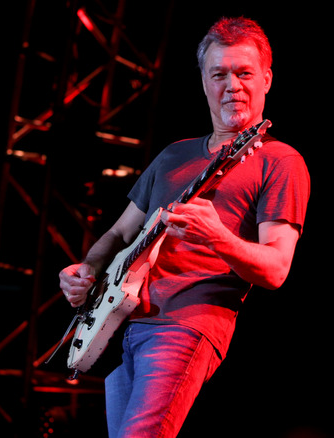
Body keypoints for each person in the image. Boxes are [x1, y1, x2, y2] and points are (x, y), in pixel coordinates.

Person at [58, 17, 310, 437]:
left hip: (186, 325)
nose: (232, 85)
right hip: (119, 323)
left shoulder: (279, 161)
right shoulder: (173, 156)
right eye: (219, 74)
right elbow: (119, 235)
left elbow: (276, 268)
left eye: (244, 73)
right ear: (204, 81)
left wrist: (217, 236)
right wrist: (86, 270)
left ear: (267, 78)